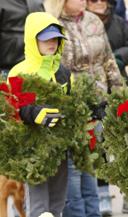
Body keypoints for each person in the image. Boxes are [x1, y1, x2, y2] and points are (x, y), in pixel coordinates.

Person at [44, 0, 123, 217]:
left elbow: (108, 60)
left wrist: (117, 95)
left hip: (98, 104)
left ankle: (93, 213)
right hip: (72, 106)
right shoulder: (54, 26)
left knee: (91, 167)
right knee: (73, 172)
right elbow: (55, 65)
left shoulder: (93, 20)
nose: (82, 0)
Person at [86, 0, 128, 215]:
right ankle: (103, 196)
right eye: (92, 0)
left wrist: (114, 60)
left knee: (126, 142)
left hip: (118, 88)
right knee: (99, 145)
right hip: (94, 93)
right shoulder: (83, 25)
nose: (98, 4)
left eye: (102, 0)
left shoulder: (119, 22)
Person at [8, 12, 70, 217]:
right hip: (33, 148)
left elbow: (72, 101)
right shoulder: (20, 71)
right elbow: (12, 106)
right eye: (46, 39)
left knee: (58, 204)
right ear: (32, 40)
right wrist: (34, 113)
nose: (52, 43)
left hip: (60, 146)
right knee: (38, 206)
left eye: (55, 39)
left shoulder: (63, 72)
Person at [0, 0, 44, 78]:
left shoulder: (37, 3)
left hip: (33, 67)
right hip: (7, 67)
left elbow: (43, 28)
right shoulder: (3, 3)